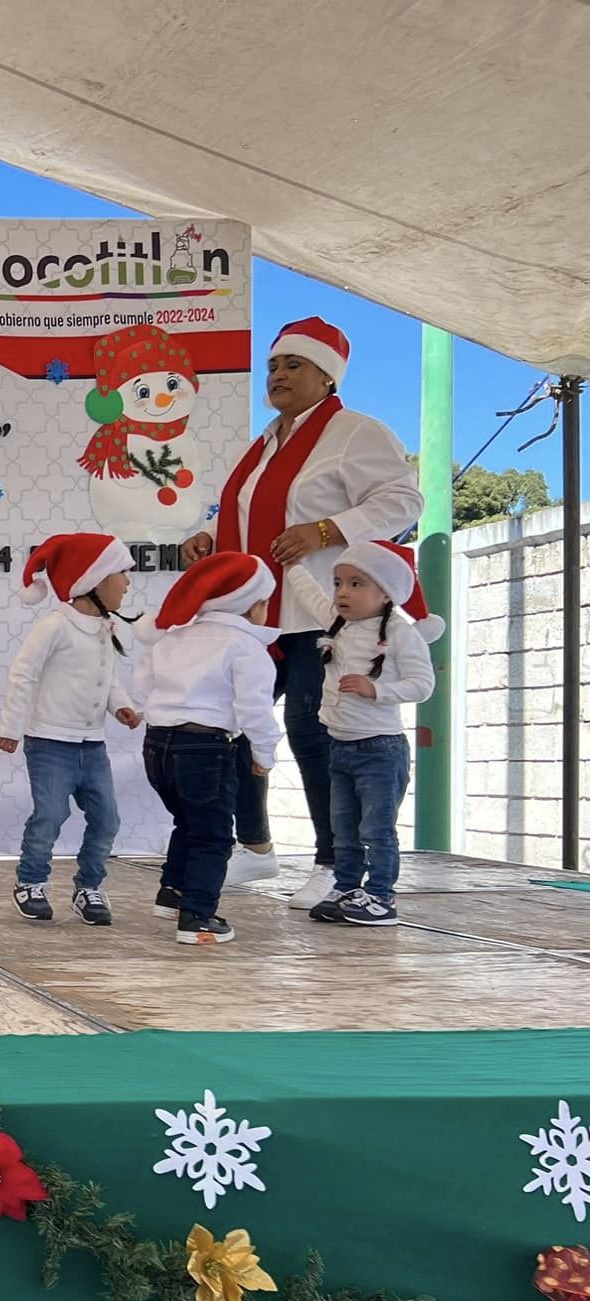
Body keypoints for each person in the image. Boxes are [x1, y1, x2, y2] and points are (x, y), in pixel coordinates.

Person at [182, 317, 422, 913]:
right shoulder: (265, 443)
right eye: (273, 365)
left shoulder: (353, 432)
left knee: (314, 733)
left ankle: (334, 862)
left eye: (293, 365)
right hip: (260, 613)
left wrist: (327, 531)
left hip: (321, 611)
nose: (279, 375)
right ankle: (256, 846)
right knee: (231, 726)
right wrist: (209, 538)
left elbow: (404, 499)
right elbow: (255, 511)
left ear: (327, 376)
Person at [283, 543, 440, 926]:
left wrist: (377, 691)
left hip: (380, 751)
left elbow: (423, 684)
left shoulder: (401, 634)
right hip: (339, 747)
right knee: (343, 829)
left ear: (385, 592)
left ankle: (382, 897)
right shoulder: (337, 622)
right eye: (339, 583)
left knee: (376, 829)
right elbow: (310, 595)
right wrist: (293, 567)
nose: (342, 593)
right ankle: (347, 888)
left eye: (356, 584)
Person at [132, 554, 280, 946]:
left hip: (156, 745)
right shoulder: (246, 646)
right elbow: (255, 709)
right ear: (253, 605)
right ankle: (198, 916)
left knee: (187, 820)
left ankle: (173, 893)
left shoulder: (175, 636)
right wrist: (264, 755)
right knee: (213, 835)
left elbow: (141, 685)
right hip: (205, 746)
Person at [0, 533, 142, 925]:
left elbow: (108, 677)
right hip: (50, 742)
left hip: (92, 745)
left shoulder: (104, 628)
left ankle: (89, 886)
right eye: (121, 575)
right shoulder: (55, 626)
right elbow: (22, 674)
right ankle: (31, 881)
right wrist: (10, 726)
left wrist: (123, 706)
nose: (128, 584)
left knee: (107, 818)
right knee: (50, 814)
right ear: (93, 580)